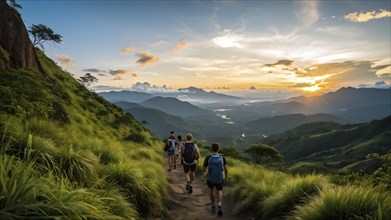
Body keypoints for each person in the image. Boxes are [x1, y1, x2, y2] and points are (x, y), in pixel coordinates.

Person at [202, 142, 228, 216]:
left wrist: (206, 171)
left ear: (211, 149)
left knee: (211, 190)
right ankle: (219, 205)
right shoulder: (222, 157)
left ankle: (213, 206)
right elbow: (226, 169)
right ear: (218, 149)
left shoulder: (208, 157)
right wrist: (226, 177)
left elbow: (203, 169)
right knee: (219, 191)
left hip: (210, 178)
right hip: (220, 178)